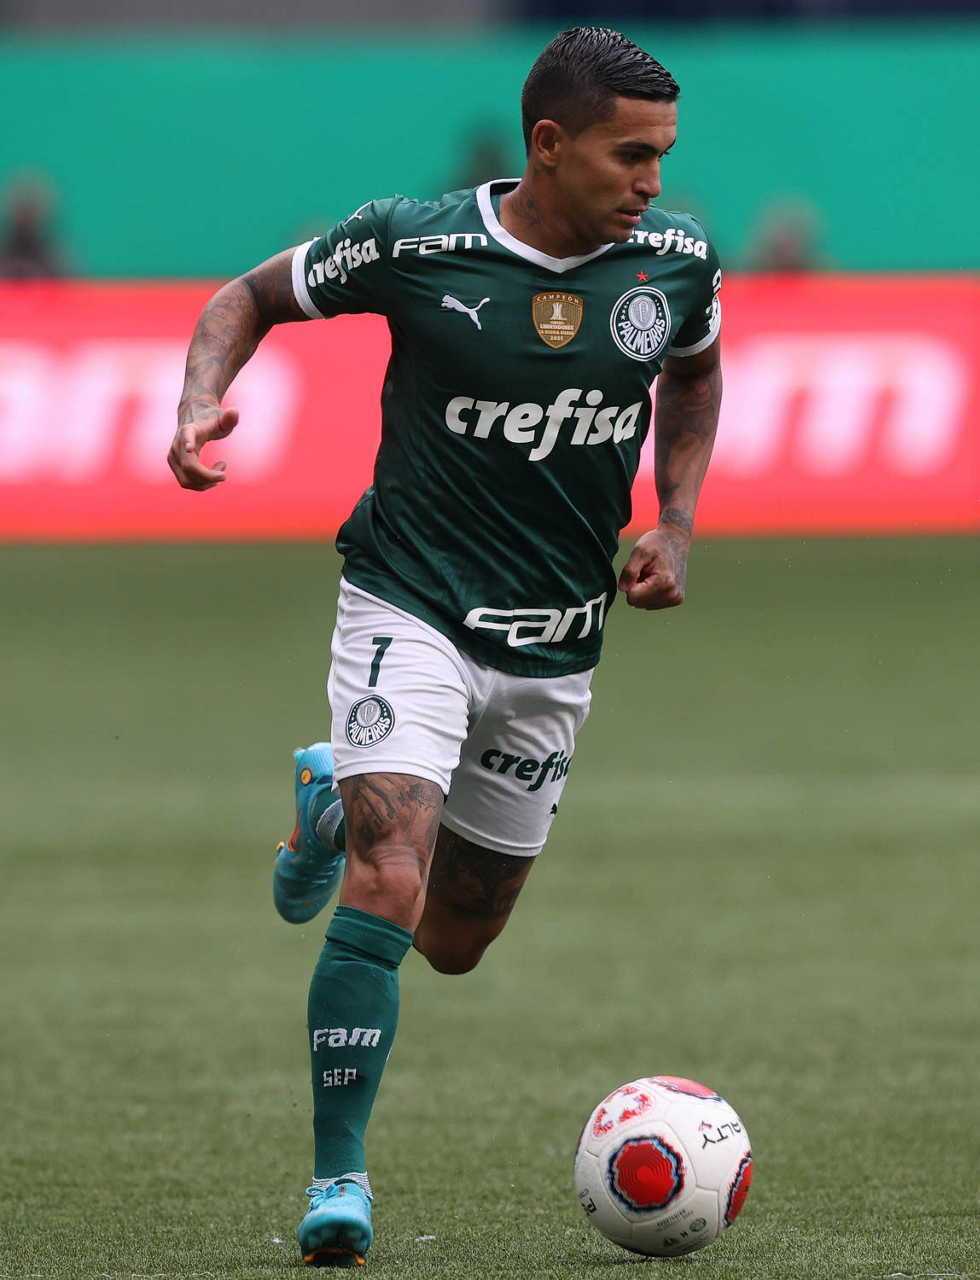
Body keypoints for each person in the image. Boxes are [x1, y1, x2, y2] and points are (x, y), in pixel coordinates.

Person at [169, 26, 722, 1268]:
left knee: (455, 938)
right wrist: (200, 399)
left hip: (554, 642)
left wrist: (675, 519)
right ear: (549, 143)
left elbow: (692, 376)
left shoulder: (676, 262)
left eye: (661, 155)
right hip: (408, 603)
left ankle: (330, 793)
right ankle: (339, 1179)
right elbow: (244, 297)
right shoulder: (414, 244)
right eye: (629, 155)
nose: (651, 181)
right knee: (390, 877)